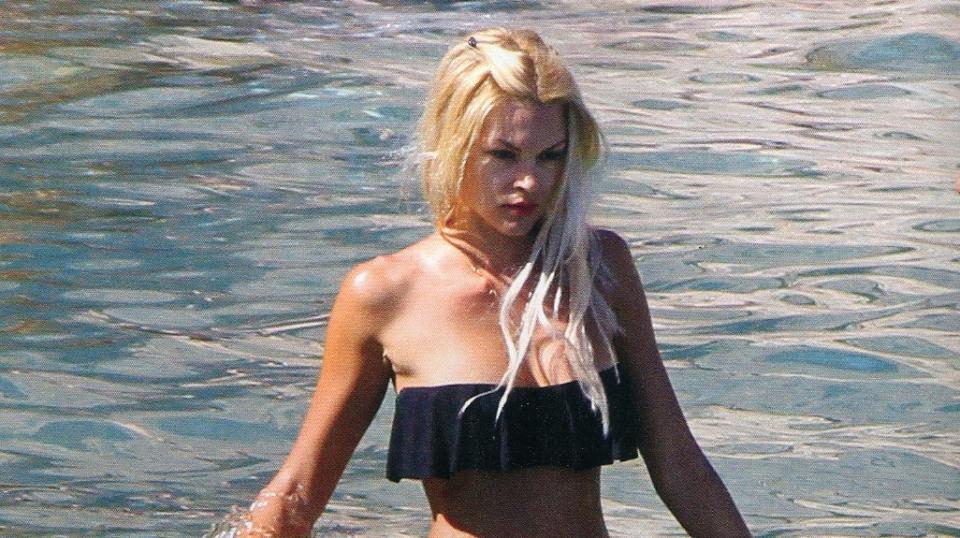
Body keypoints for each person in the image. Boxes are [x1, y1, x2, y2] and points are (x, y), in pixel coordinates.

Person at [239, 28, 750, 538]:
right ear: (453, 144)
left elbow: (679, 462)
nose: (530, 181)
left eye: (550, 156)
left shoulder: (598, 269)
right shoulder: (385, 293)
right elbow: (297, 493)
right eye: (504, 155)